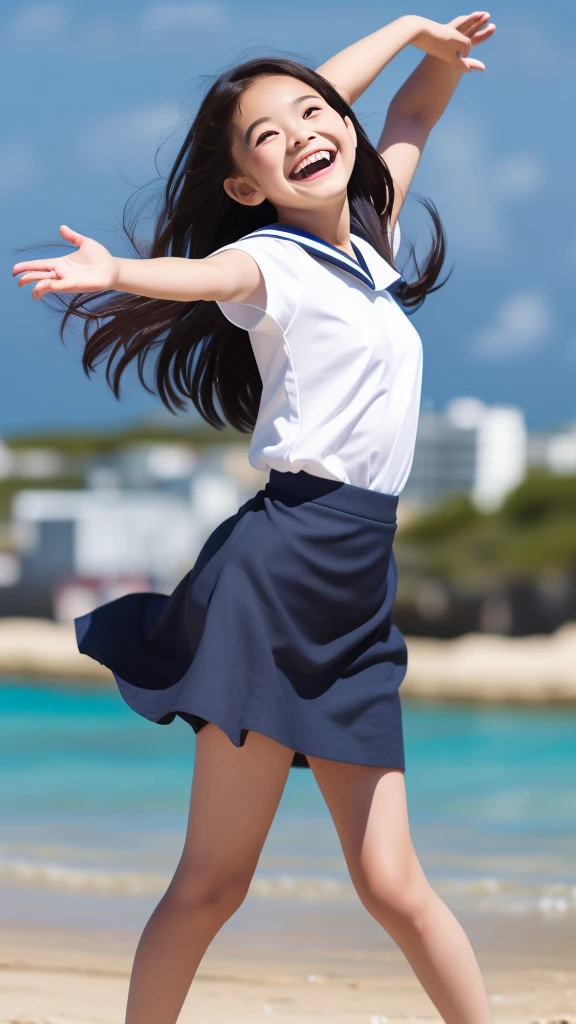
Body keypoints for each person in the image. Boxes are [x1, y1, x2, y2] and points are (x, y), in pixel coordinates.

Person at [13, 11, 496, 1024]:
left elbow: (406, 108)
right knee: (213, 882)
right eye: (266, 140)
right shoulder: (270, 260)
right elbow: (205, 274)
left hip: (359, 594)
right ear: (246, 188)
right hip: (274, 581)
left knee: (393, 884)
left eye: (315, 117)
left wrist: (421, 38)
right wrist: (118, 274)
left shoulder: (372, 243)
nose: (303, 134)